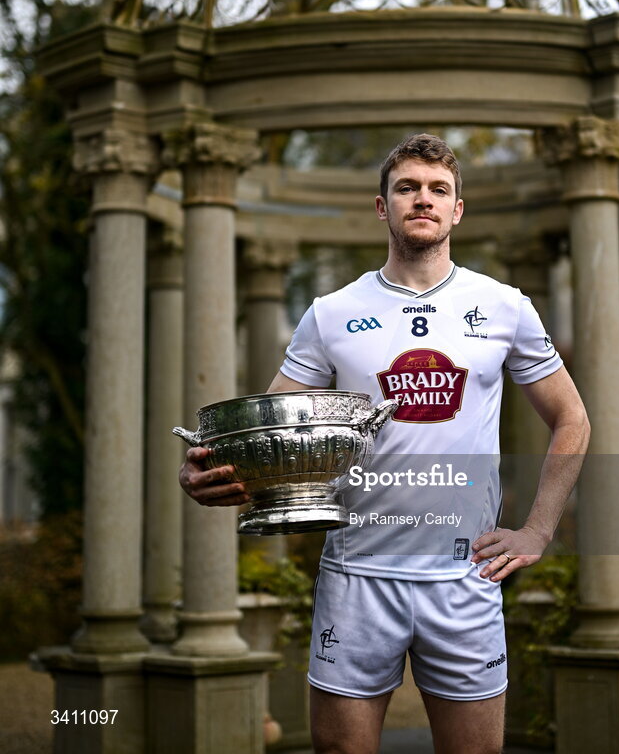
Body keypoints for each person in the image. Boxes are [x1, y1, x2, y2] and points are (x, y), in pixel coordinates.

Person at [180, 134, 590, 754]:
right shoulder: (331, 313)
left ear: (457, 210)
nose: (421, 199)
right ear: (382, 206)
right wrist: (210, 472)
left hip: (465, 574)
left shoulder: (505, 307)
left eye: (437, 189)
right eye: (407, 188)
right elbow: (269, 431)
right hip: (356, 575)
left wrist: (537, 530)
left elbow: (572, 418)